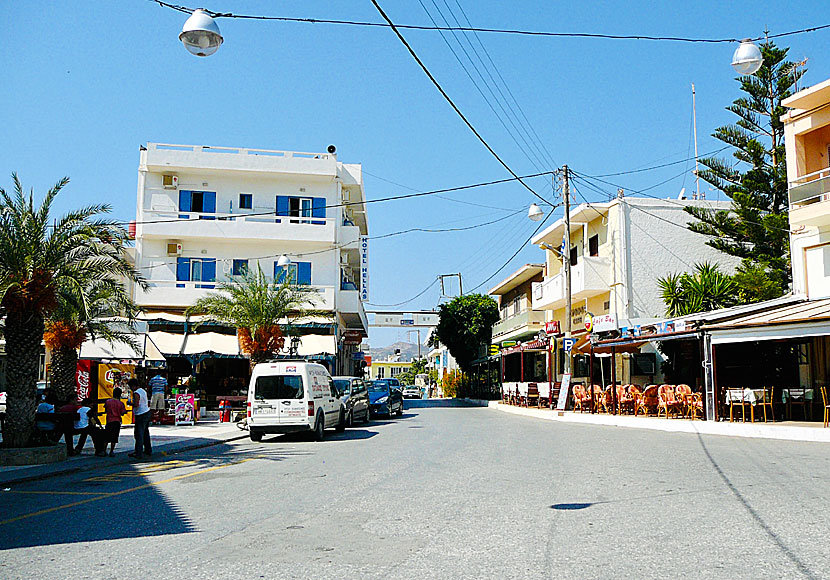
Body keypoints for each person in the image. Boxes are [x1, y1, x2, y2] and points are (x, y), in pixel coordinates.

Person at [129, 378, 152, 459]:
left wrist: (129, 403)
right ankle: (148, 450)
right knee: (145, 432)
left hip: (140, 414)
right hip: (146, 412)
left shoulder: (136, 393)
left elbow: (136, 404)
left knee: (139, 433)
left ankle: (138, 452)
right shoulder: (143, 390)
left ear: (133, 386)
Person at [104, 386, 128, 456]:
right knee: (114, 437)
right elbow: (123, 412)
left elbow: (106, 410)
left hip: (109, 421)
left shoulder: (108, 401)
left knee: (107, 436)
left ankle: (104, 450)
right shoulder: (120, 403)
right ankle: (111, 451)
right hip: (117, 421)